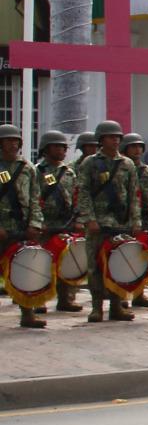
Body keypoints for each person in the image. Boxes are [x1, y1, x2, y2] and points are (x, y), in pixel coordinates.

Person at [77, 120, 141, 323]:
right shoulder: (90, 163)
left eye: (118, 137)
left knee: (118, 264)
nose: (115, 140)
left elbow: (134, 194)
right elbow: (83, 193)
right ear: (101, 139)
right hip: (98, 223)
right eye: (111, 137)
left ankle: (116, 306)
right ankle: (97, 307)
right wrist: (89, 219)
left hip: (120, 223)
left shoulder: (127, 164)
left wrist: (136, 220)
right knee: (95, 266)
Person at [0, 123, 46, 328]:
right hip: (2, 227)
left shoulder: (27, 168)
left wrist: (35, 224)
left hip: (22, 227)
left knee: (24, 269)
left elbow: (35, 198)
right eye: (8, 140)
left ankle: (27, 313)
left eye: (16, 140)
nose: (13, 144)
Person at [35, 130, 79, 314]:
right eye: (57, 146)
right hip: (44, 224)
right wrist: (37, 222)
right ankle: (39, 300)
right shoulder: (37, 171)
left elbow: (76, 197)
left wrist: (77, 220)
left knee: (66, 263)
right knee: (41, 263)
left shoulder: (69, 172)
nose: (61, 150)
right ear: (46, 149)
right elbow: (32, 198)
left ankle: (65, 298)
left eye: (63, 147)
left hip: (65, 223)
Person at [120, 132, 148, 308]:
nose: (137, 150)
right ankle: (121, 296)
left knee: (142, 258)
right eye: (133, 147)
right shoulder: (120, 169)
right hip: (123, 220)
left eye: (139, 146)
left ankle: (139, 294)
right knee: (123, 258)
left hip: (145, 219)